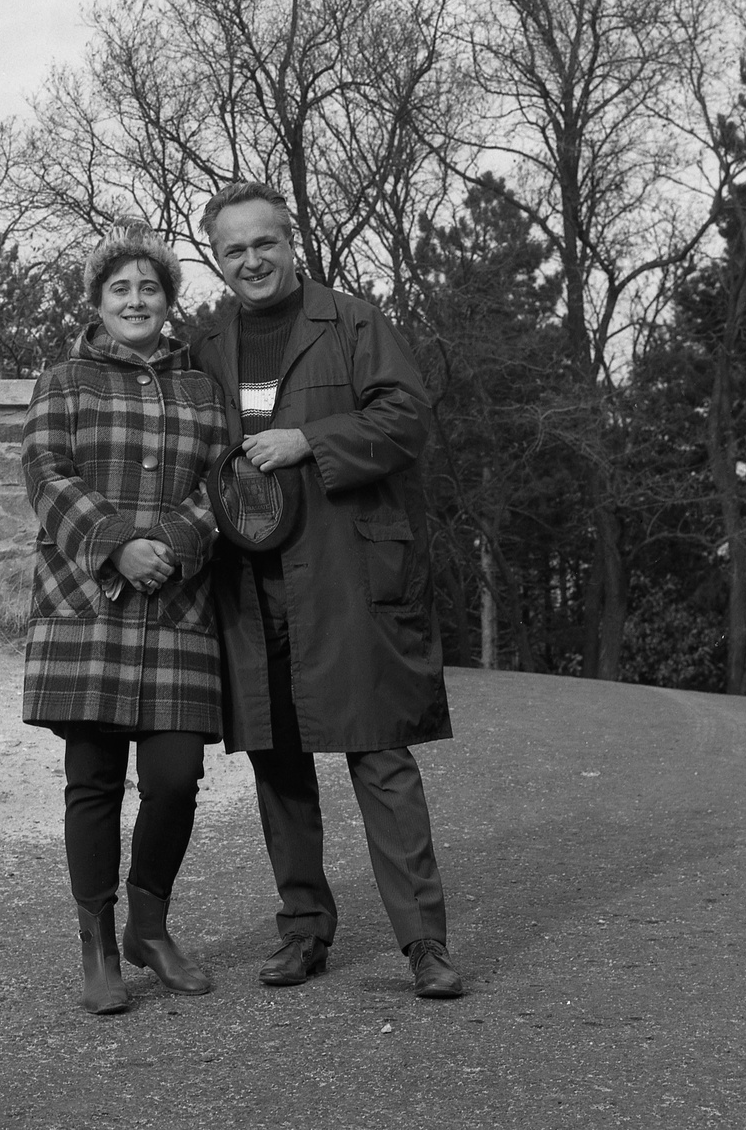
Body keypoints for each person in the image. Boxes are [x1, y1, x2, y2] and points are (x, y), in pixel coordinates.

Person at [192, 182, 463, 1000]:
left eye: (263, 243)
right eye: (233, 249)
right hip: (250, 579)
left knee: (379, 753)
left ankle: (425, 944)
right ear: (216, 258)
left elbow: (407, 418)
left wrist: (308, 439)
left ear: (290, 240)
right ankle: (304, 929)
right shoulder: (207, 346)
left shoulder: (352, 323)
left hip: (347, 569)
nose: (251, 260)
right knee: (277, 758)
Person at [22, 225, 230, 1014]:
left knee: (175, 777)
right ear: (97, 302)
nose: (136, 300)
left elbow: (226, 485)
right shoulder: (65, 379)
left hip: (179, 602)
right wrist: (115, 545)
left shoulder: (204, 390)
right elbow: (44, 470)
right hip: (89, 605)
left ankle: (150, 926)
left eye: (149, 288)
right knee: (95, 779)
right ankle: (98, 944)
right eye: (121, 289)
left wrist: (173, 543)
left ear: (169, 301)